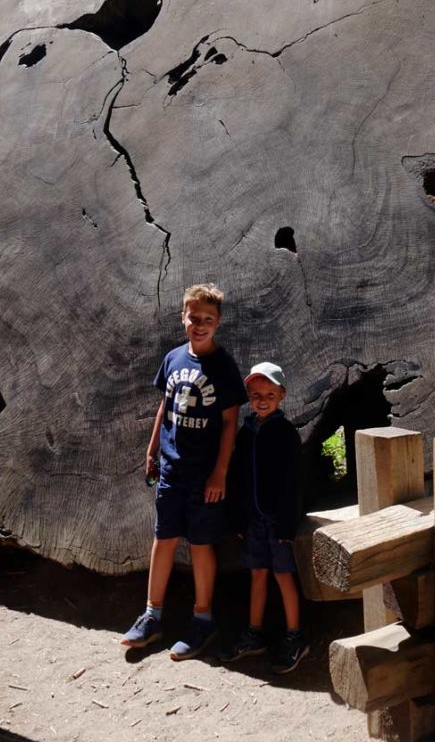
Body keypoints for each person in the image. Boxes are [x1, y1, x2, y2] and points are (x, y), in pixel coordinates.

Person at [121, 283, 248, 659]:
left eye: (208, 319)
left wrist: (220, 473)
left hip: (204, 476)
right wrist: (152, 448)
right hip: (172, 471)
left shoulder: (223, 367)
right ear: (183, 317)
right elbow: (165, 406)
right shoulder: (174, 358)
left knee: (202, 546)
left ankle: (203, 619)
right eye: (194, 317)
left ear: (218, 323)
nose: (200, 324)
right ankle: (151, 616)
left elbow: (229, 423)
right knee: (164, 540)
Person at [222, 361, 308, 674]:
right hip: (254, 522)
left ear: (281, 395)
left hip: (278, 523)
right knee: (257, 572)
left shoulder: (286, 435)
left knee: (283, 575)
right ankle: (254, 632)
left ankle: (295, 635)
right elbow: (238, 478)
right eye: (256, 393)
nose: (262, 399)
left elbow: (293, 483)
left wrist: (287, 524)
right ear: (249, 395)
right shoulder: (246, 434)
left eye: (269, 393)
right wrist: (238, 520)